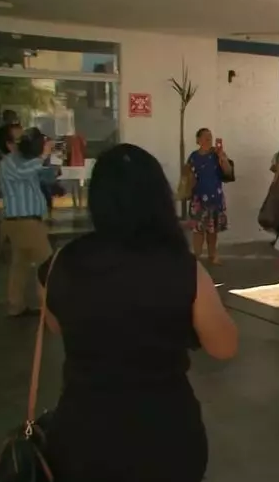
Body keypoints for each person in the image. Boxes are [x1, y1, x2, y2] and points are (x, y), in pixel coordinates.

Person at [39, 143, 238, 482]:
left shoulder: (60, 263)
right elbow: (224, 347)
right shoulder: (184, 269)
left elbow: (57, 326)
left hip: (82, 433)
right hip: (166, 435)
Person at [0, 125, 56, 317]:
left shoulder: (25, 161)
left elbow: (45, 177)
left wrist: (49, 162)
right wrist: (42, 156)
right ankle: (49, 310)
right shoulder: (9, 162)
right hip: (24, 222)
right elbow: (23, 172)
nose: (24, 142)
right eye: (19, 140)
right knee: (46, 264)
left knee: (20, 265)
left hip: (24, 221)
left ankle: (16, 305)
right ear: (8, 145)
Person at [187, 128, 233, 265]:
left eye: (210, 137)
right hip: (198, 198)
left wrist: (222, 157)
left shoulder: (217, 155)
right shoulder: (193, 156)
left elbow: (228, 172)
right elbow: (188, 175)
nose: (208, 140)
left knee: (213, 230)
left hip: (215, 197)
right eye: (205, 137)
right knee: (198, 229)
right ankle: (197, 257)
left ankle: (213, 255)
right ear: (198, 140)